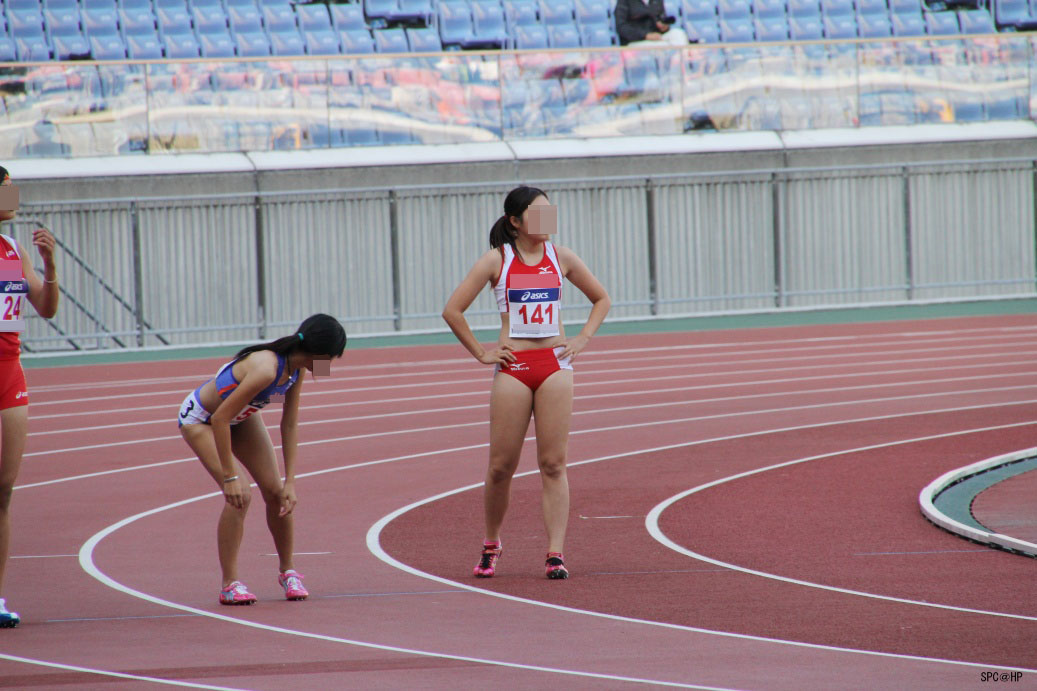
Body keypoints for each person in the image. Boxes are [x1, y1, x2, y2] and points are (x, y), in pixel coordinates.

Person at [442, 186, 611, 580]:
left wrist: (583, 337)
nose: (548, 220)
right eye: (539, 214)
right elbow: (452, 310)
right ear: (516, 222)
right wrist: (482, 353)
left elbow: (601, 298)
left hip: (555, 363)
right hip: (514, 367)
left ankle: (555, 553)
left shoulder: (562, 257)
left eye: (550, 212)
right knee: (501, 467)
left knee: (553, 463)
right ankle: (491, 542)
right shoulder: (495, 261)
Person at [178, 314, 346, 605]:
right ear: (318, 352)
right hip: (203, 421)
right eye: (330, 358)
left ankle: (288, 572)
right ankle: (229, 584)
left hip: (239, 417)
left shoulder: (298, 370)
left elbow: (289, 423)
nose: (329, 366)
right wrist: (229, 477)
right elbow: (219, 418)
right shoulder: (267, 369)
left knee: (277, 493)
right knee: (240, 495)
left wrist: (291, 480)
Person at [0, 165, 60, 628]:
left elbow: (44, 307)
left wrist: (50, 267)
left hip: (10, 372)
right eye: (6, 189)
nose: (14, 196)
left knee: (3, 492)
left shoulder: (12, 250)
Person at [614, 0, 690, 45]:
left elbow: (661, 19)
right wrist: (645, 35)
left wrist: (663, 27)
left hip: (657, 37)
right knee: (662, 46)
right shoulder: (624, 1)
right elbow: (621, 27)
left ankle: (682, 68)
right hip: (636, 41)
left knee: (678, 34)